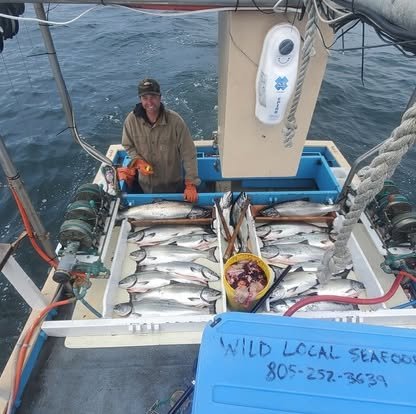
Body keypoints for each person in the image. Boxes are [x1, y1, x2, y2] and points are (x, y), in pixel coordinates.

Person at [121, 78, 200, 203]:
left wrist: (190, 184)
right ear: (140, 99)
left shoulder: (175, 121)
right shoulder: (131, 121)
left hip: (174, 188)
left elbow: (189, 153)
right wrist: (138, 161)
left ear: (160, 97)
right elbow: (128, 145)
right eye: (145, 98)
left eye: (153, 97)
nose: (149, 102)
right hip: (146, 189)